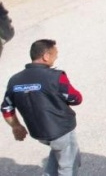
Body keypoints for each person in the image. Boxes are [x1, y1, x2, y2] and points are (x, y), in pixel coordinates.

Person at [2, 39, 83, 175]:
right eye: (55, 54)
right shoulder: (55, 77)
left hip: (39, 133)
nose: (56, 57)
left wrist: (16, 126)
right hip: (61, 130)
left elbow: (6, 108)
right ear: (46, 56)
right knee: (68, 165)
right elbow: (75, 98)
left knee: (58, 153)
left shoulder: (14, 80)